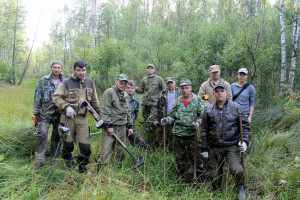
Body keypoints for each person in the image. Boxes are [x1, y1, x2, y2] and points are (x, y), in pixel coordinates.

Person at [200, 83, 250, 200]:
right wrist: (203, 148)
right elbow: (203, 130)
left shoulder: (236, 108)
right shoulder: (208, 110)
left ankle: (240, 188)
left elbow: (245, 127)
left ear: (226, 93)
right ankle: (217, 190)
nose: (220, 93)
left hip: (231, 145)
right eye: (217, 91)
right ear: (214, 94)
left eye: (222, 91)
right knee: (213, 173)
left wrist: (245, 142)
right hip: (214, 146)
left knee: (236, 169)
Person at [53, 60, 101, 174]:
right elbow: (56, 97)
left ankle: (83, 167)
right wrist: (65, 107)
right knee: (67, 144)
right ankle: (69, 165)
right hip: (68, 118)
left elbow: (95, 102)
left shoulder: (90, 82)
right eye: (79, 70)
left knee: (85, 145)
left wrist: (102, 117)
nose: (81, 73)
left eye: (83, 70)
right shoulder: (66, 82)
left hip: (82, 118)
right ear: (74, 70)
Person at [161, 79, 205, 184]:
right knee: (179, 160)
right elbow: (172, 116)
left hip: (191, 134)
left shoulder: (197, 100)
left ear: (191, 88)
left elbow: (202, 116)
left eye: (186, 88)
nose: (184, 90)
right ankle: (185, 179)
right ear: (180, 89)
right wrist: (167, 120)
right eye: (182, 88)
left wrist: (198, 123)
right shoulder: (178, 101)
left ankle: (201, 180)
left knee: (196, 159)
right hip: (178, 134)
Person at [95, 74, 133, 172]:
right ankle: (100, 170)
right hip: (110, 127)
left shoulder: (125, 95)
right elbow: (105, 109)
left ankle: (117, 169)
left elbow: (128, 111)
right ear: (116, 82)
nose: (123, 85)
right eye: (121, 82)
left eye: (125, 83)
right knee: (106, 150)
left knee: (121, 151)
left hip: (122, 126)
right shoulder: (109, 92)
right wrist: (109, 125)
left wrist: (130, 126)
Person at [32, 61, 64, 169]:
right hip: (44, 114)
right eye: (54, 67)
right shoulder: (43, 80)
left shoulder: (65, 81)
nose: (56, 69)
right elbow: (37, 97)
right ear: (51, 68)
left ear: (61, 69)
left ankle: (53, 157)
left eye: (58, 67)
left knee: (57, 135)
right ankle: (39, 160)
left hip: (59, 114)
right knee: (42, 135)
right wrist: (36, 114)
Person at [152, 77, 181, 149]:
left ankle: (176, 150)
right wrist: (155, 119)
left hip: (177, 117)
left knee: (178, 135)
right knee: (163, 136)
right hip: (164, 117)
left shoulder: (180, 92)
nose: (170, 84)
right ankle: (163, 149)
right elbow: (155, 106)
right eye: (168, 83)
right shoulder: (162, 93)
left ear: (175, 83)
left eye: (171, 82)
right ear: (166, 84)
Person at [125, 80, 148, 149]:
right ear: (125, 88)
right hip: (121, 125)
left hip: (131, 125)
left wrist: (132, 123)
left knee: (140, 141)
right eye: (128, 88)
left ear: (134, 89)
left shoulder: (136, 101)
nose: (130, 89)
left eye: (132, 88)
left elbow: (136, 113)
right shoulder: (121, 98)